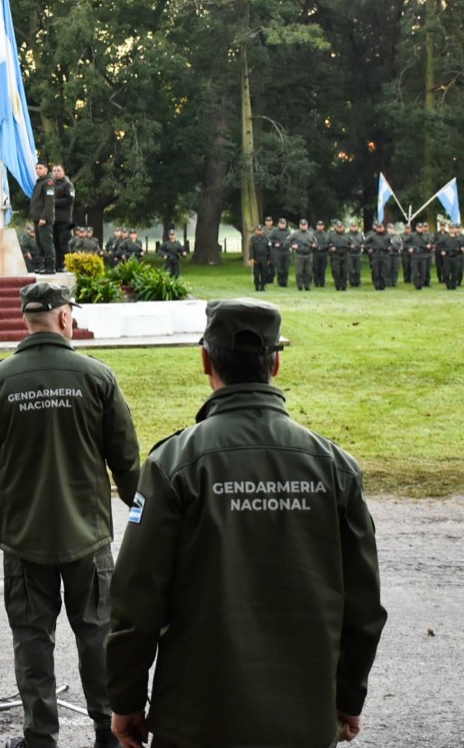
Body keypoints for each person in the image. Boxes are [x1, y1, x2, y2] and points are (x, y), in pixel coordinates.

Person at [106, 299, 385, 748]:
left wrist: (126, 701)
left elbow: (136, 601)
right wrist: (348, 698)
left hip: (197, 721)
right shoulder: (335, 467)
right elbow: (363, 607)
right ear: (276, 362)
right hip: (305, 720)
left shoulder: (174, 464)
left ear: (204, 360)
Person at [0, 282, 140, 748]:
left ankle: (40, 736)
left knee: (32, 638)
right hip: (89, 536)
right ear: (64, 318)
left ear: (26, 319)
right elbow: (125, 458)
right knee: (99, 635)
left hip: (23, 536)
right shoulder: (97, 376)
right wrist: (140, 510)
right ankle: (108, 731)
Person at [51, 164, 76, 272]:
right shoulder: (51, 184)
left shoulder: (68, 184)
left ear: (63, 172)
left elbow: (70, 199)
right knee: (55, 243)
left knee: (64, 243)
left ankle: (66, 264)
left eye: (58, 170)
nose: (56, 172)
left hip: (65, 219)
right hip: (54, 218)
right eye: (54, 171)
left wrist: (55, 203)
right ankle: (57, 264)